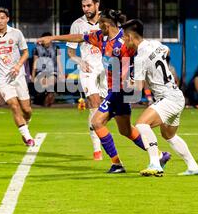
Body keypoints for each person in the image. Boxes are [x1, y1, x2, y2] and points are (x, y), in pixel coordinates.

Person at [38, 9, 170, 174]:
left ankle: (117, 164)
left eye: (100, 23)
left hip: (120, 91)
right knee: (126, 130)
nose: (98, 26)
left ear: (107, 24)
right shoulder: (101, 36)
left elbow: (142, 49)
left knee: (97, 122)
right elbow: (79, 37)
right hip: (114, 90)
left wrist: (161, 49)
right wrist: (53, 38)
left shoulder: (125, 39)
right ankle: (159, 155)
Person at [122, 19, 198, 177]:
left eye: (124, 37)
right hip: (176, 96)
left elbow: (138, 89)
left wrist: (124, 84)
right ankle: (193, 167)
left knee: (141, 124)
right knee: (169, 135)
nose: (124, 41)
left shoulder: (140, 58)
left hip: (167, 98)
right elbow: (167, 51)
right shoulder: (156, 44)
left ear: (130, 37)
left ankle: (155, 163)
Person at [0, 7, 35, 147]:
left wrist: (18, 65)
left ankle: (26, 124)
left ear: (7, 19)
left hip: (18, 76)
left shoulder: (16, 33)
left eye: (2, 18)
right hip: (2, 78)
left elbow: (25, 53)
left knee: (27, 110)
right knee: (14, 105)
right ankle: (27, 137)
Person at [67, 0, 107, 161]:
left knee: (105, 109)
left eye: (89, 5)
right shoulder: (77, 24)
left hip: (107, 69)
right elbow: (70, 52)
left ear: (97, 5)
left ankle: (101, 136)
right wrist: (79, 61)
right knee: (94, 105)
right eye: (83, 6)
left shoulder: (107, 22)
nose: (86, 9)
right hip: (88, 70)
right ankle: (97, 149)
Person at [32, 32, 64, 107]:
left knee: (51, 81)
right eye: (44, 39)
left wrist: (61, 74)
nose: (46, 41)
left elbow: (59, 62)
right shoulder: (36, 48)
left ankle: (48, 97)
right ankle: (48, 96)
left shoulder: (57, 48)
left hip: (53, 71)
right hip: (41, 72)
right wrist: (33, 75)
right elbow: (35, 63)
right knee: (43, 82)